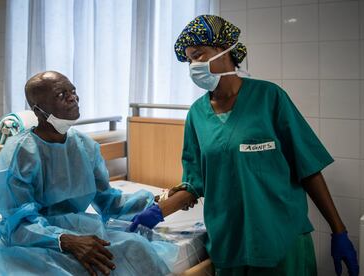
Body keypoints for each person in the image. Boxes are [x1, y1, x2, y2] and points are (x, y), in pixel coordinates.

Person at [129, 15, 359, 276]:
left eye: (199, 55)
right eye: (189, 60)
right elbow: (194, 184)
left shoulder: (270, 98)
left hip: (282, 239)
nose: (194, 65)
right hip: (230, 243)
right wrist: (156, 212)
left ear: (225, 51)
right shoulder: (196, 114)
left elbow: (308, 169)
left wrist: (338, 230)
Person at [0, 71, 176, 276]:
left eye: (73, 91)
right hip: (32, 238)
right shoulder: (19, 155)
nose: (73, 99)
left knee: (136, 247)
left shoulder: (85, 146)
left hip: (76, 229)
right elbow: (18, 223)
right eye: (62, 95)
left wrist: (157, 199)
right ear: (38, 109)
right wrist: (65, 240)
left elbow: (109, 201)